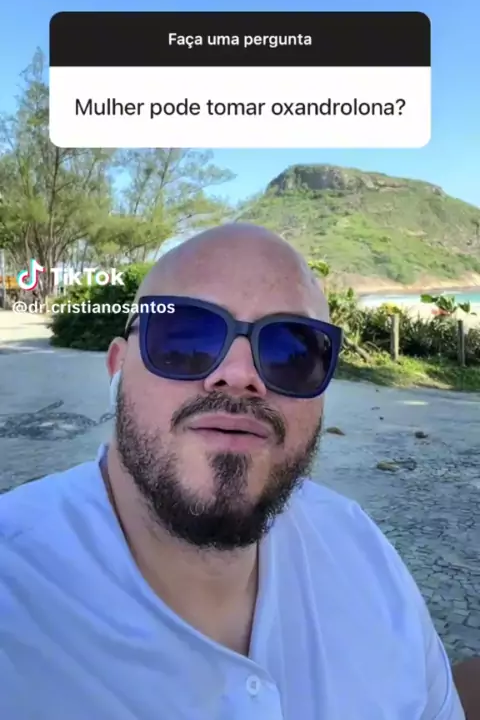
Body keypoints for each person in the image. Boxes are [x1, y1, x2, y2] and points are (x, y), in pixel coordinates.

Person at [0, 223, 466, 719]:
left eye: (291, 350)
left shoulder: (364, 555)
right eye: (185, 337)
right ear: (117, 368)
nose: (240, 375)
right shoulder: (16, 588)